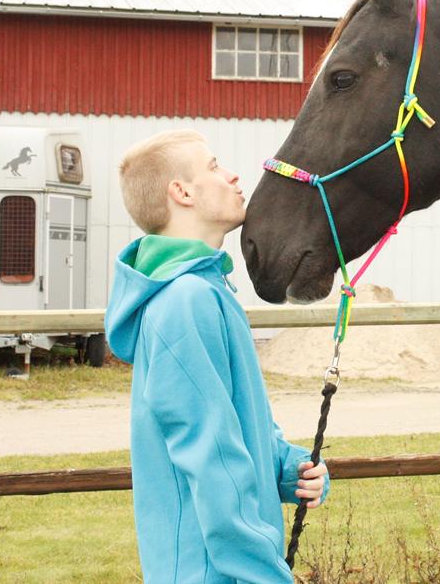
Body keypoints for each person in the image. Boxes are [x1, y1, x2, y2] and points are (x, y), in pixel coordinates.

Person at [105, 129, 328, 582]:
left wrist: (289, 469)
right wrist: (264, 573)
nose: (231, 175)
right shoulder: (186, 300)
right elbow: (209, 456)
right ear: (181, 192)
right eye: (213, 167)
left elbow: (238, 426)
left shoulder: (207, 289)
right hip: (214, 570)